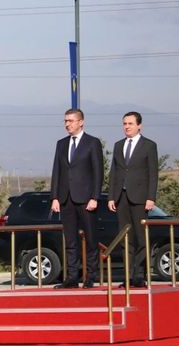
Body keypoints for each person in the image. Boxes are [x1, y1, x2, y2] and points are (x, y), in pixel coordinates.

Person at [50, 108, 103, 289]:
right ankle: (72, 277)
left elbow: (98, 172)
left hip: (86, 198)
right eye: (65, 121)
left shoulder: (92, 143)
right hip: (66, 198)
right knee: (70, 240)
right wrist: (55, 197)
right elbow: (57, 171)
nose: (67, 124)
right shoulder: (61, 144)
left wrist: (95, 196)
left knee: (90, 239)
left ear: (81, 122)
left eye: (71, 121)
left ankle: (90, 276)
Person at [108, 111, 159, 288]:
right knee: (125, 239)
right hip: (121, 198)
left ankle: (139, 275)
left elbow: (153, 173)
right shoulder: (118, 145)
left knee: (140, 238)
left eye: (130, 123)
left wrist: (151, 197)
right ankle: (128, 276)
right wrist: (111, 196)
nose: (126, 127)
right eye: (124, 123)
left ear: (139, 125)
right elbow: (114, 172)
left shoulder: (149, 145)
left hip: (140, 198)